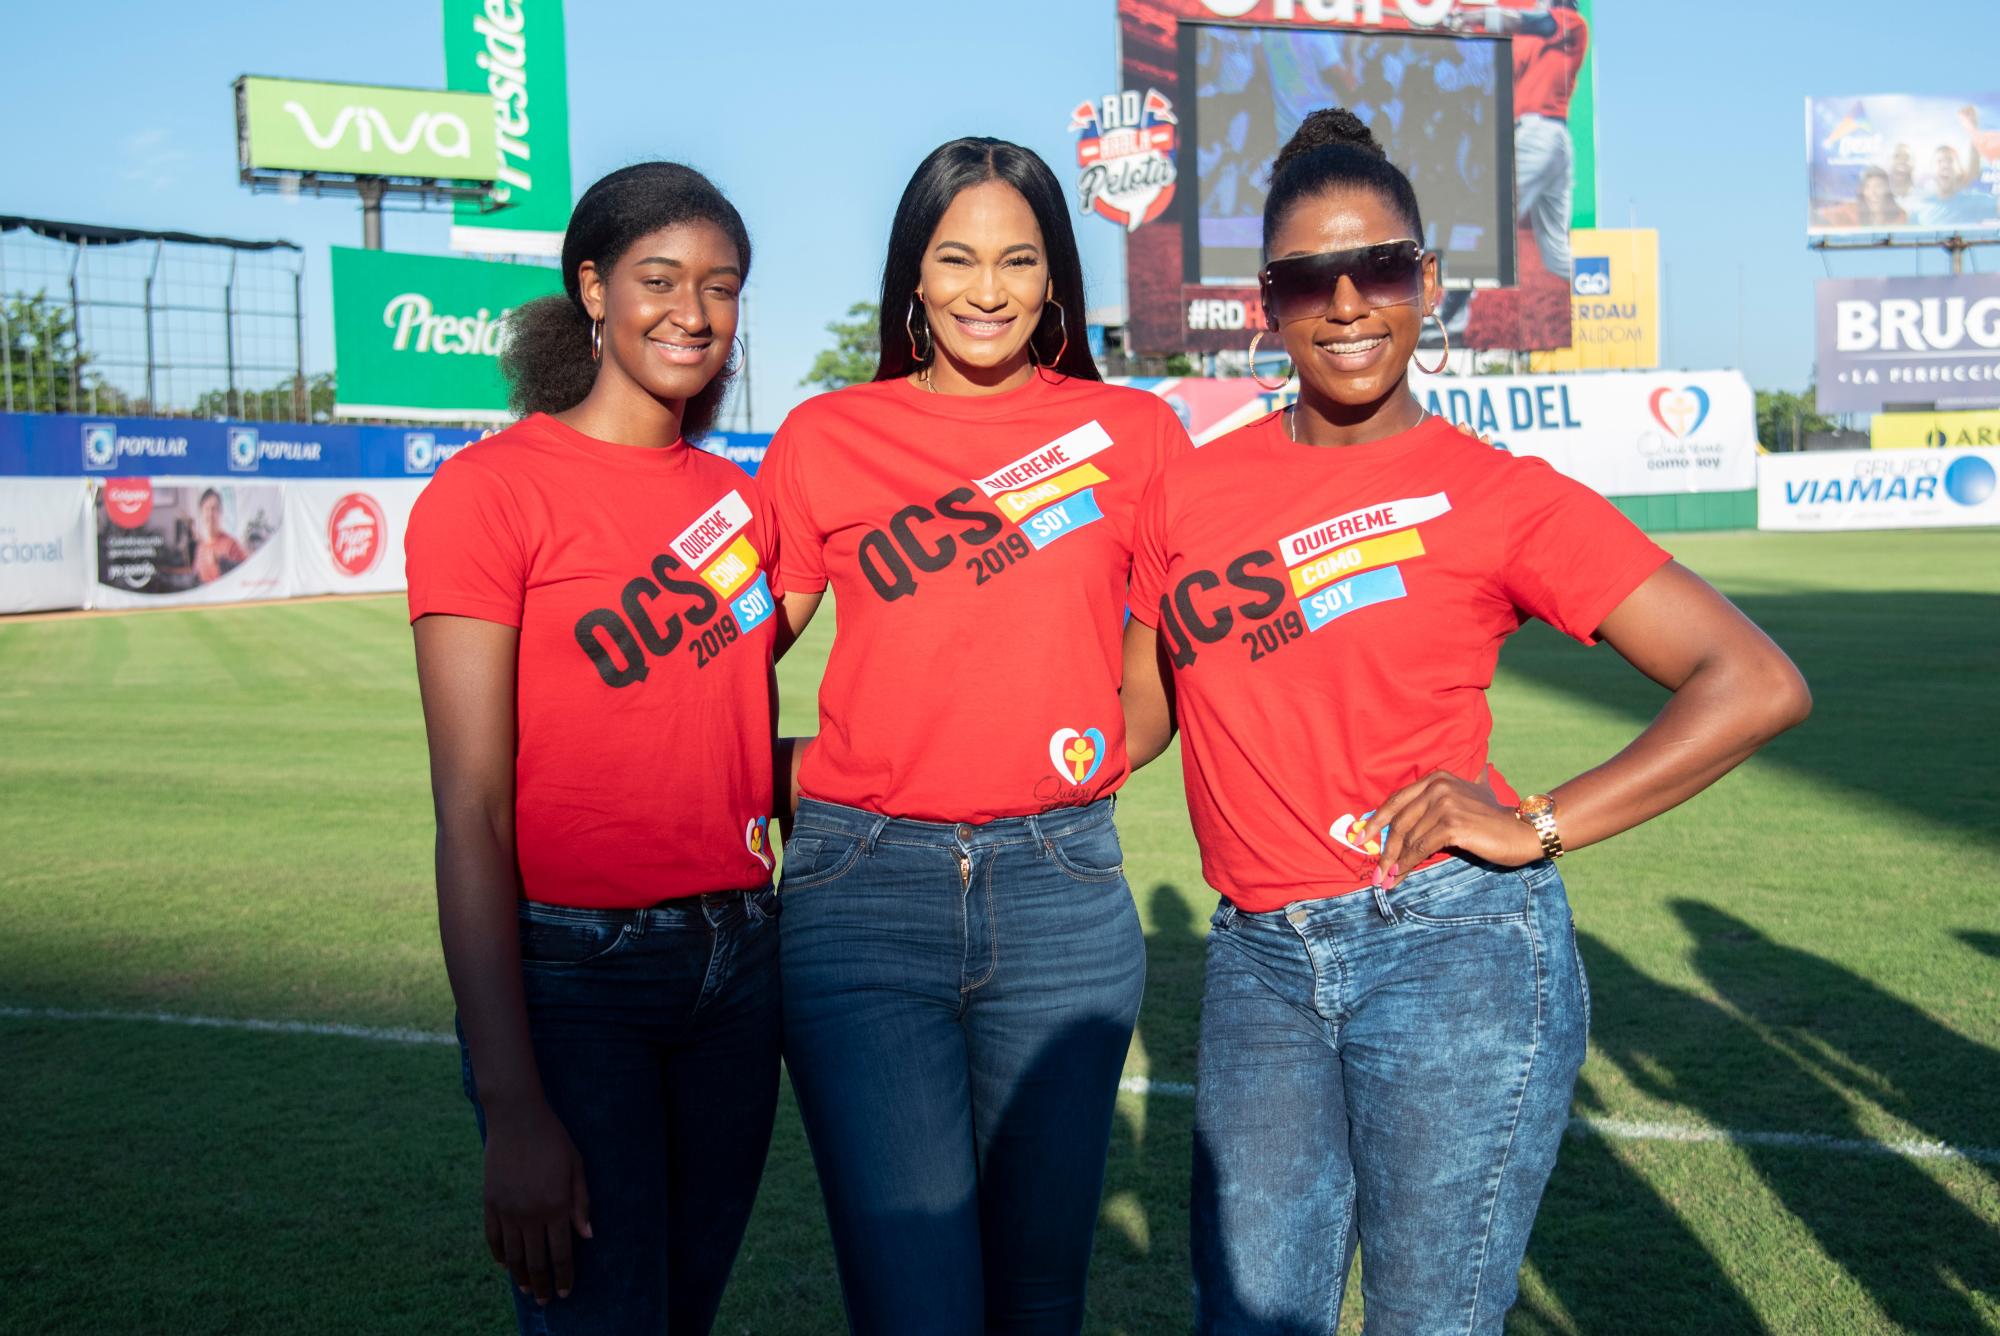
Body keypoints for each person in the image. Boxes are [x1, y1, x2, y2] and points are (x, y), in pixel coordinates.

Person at [1119, 109, 1812, 1334]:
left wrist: (1534, 823)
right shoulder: (1186, 492)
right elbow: (1129, 717)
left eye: (1379, 268)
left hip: (1451, 951)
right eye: (1307, 278)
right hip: (1258, 964)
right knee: (1245, 1319)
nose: (1346, 303)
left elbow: (1751, 678)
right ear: (1264, 303)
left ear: (1427, 283)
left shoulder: (1497, 495)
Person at [759, 137, 1195, 1333]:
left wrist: (1088, 759)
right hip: (860, 898)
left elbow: (1156, 671)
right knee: (915, 1306)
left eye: (1018, 259)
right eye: (956, 258)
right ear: (913, 271)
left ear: (1056, 278)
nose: (987, 290)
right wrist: (793, 774)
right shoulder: (826, 435)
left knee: (1040, 1298)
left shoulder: (1134, 435)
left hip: (1063, 895)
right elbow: (726, 661)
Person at [405, 162, 784, 1335]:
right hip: (575, 982)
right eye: (657, 279)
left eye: (720, 285)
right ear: (591, 290)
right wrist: (512, 1103)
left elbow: (711, 734)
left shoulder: (740, 503)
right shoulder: (486, 493)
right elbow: (469, 809)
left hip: (740, 968)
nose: (692, 312)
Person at [1455, 0, 1589, 280]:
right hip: (1542, 140)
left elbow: (1524, 20)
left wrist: (1472, 16)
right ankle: (1605, 286)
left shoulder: (1571, 22)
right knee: (1557, 256)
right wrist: (1457, 29)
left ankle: (1453, 305)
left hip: (1540, 135)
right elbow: (1496, 70)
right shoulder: (1531, 43)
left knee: (1491, 216)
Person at [1816, 166, 1907, 229]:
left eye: (1878, 186)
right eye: (1867, 187)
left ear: (1887, 189)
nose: (1873, 193)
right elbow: (1820, 214)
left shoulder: (1899, 214)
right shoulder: (1850, 209)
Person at [192, 488, 246, 584]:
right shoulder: (200, 548)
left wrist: (221, 562)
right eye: (206, 509)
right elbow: (196, 579)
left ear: (221, 512)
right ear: (201, 513)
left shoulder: (231, 544)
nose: (210, 514)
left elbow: (246, 574)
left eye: (214, 509)